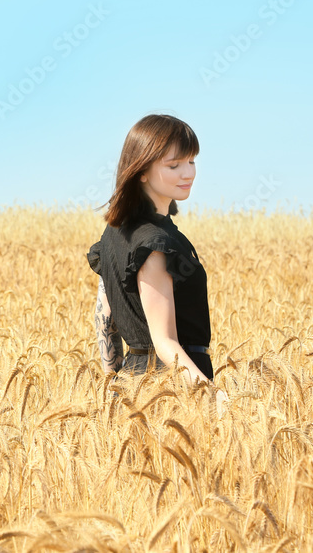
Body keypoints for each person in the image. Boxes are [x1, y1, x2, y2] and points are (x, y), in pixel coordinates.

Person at [87, 114, 227, 415]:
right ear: (141, 171)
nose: (187, 173)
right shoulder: (156, 243)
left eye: (191, 161)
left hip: (134, 389)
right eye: (173, 165)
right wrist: (213, 399)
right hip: (176, 390)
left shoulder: (112, 235)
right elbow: (165, 341)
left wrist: (116, 384)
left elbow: (104, 319)